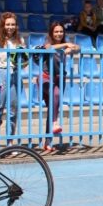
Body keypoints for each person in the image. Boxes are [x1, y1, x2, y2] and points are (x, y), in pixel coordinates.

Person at [38, 21, 80, 153]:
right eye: (56, 31)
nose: (59, 33)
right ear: (51, 33)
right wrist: (65, 45)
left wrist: (71, 48)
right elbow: (49, 48)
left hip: (59, 79)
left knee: (53, 108)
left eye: (61, 31)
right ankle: (55, 122)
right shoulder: (48, 43)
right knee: (55, 95)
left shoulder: (64, 46)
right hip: (45, 78)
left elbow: (78, 48)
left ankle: (48, 142)